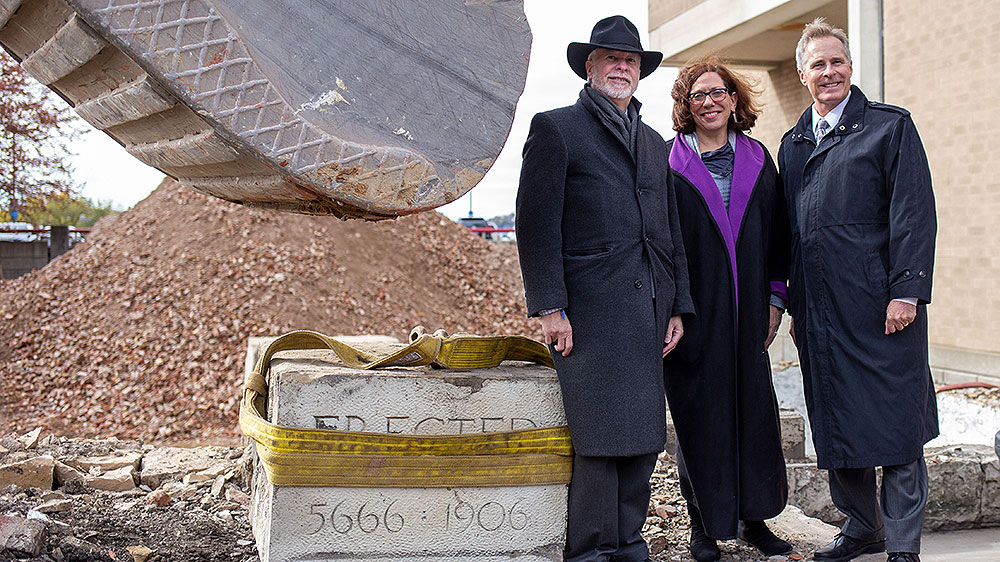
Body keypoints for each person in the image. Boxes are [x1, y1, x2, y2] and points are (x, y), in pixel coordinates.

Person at [515, 15, 694, 562]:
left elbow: (670, 232)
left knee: (641, 439)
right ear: (590, 67)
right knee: (597, 440)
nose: (622, 66)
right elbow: (536, 223)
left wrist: (678, 306)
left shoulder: (654, 141)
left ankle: (628, 545)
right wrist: (550, 306)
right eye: (611, 58)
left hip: (648, 309)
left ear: (640, 73)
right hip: (589, 312)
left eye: (631, 60)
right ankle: (591, 551)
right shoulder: (557, 128)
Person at [778, 18, 938, 562]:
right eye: (818, 64)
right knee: (838, 426)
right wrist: (792, 302)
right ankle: (861, 528)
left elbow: (914, 216)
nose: (829, 72)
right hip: (821, 314)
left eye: (837, 61)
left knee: (896, 431)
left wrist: (907, 293)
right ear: (803, 74)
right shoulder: (794, 143)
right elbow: (792, 234)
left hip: (882, 309)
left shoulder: (889, 128)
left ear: (851, 67)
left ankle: (903, 548)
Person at [662, 57, 792, 562]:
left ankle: (754, 520)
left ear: (734, 100)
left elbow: (780, 237)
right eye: (699, 96)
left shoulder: (760, 159)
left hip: (748, 318)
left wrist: (775, 300)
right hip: (694, 317)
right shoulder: (668, 164)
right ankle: (702, 526)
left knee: (753, 416)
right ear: (686, 106)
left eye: (719, 93)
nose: (711, 102)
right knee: (700, 419)